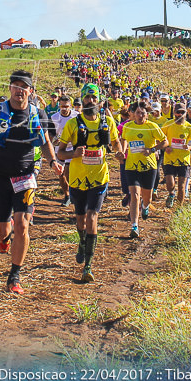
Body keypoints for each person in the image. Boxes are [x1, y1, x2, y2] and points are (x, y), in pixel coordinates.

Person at [0, 70, 58, 294]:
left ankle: (15, 276)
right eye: (15, 85)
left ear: (30, 92)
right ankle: (4, 239)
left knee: (22, 225)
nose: (19, 90)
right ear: (10, 89)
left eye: (24, 87)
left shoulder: (38, 114)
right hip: (0, 177)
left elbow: (45, 143)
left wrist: (52, 162)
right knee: (1, 229)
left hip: (25, 176)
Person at [57, 84, 122, 282]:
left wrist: (118, 151)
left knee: (92, 217)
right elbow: (60, 152)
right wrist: (73, 154)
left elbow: (116, 141)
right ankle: (82, 241)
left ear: (100, 100)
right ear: (82, 99)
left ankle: (88, 265)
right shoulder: (72, 124)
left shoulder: (107, 122)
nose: (91, 101)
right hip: (77, 178)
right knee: (80, 219)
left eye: (94, 98)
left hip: (99, 177)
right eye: (87, 98)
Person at [119, 102, 167, 238]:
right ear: (134, 114)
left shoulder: (152, 126)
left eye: (143, 113)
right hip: (131, 166)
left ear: (147, 114)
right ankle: (134, 225)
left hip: (149, 166)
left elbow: (165, 141)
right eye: (138, 113)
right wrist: (122, 152)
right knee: (134, 195)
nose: (140, 116)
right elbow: (124, 140)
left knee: (147, 197)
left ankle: (145, 207)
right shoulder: (128, 126)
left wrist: (152, 150)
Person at [48, 95, 78, 206]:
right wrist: (53, 141)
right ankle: (67, 195)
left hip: (72, 148)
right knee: (61, 174)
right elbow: (50, 133)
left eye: (66, 106)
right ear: (59, 106)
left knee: (68, 172)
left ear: (70, 106)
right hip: (59, 148)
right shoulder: (54, 117)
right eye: (62, 106)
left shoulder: (77, 116)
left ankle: (73, 194)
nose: (64, 109)